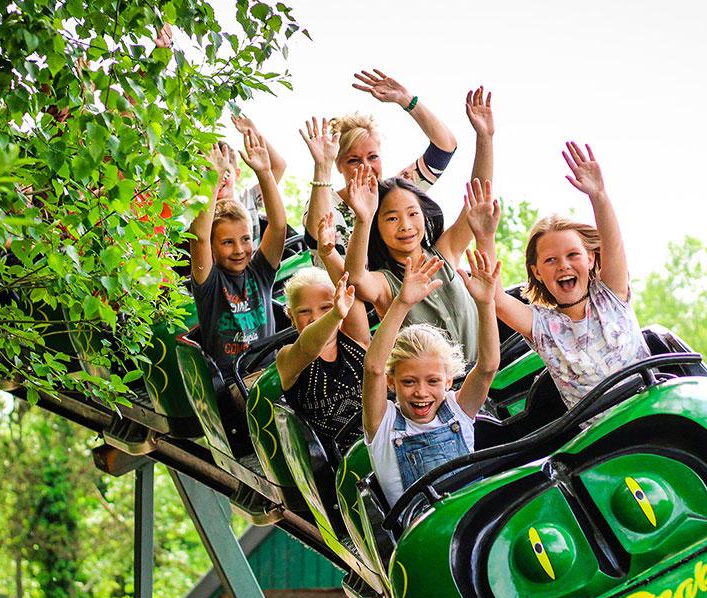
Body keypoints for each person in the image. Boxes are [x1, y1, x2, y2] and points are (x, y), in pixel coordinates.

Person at [469, 142, 650, 410]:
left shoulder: (610, 294)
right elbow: (496, 299)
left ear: (590, 259)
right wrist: (485, 237)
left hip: (647, 411)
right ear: (538, 273)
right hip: (604, 437)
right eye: (551, 260)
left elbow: (613, 244)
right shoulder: (543, 325)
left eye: (572, 255)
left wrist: (598, 196)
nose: (563, 265)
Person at [343, 87, 495, 362]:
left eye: (412, 214)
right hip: (427, 396)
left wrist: (484, 137)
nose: (405, 226)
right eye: (391, 218)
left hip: (480, 383)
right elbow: (356, 278)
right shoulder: (386, 282)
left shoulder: (444, 253)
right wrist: (363, 218)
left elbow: (478, 198)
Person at [362, 249, 500, 508]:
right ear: (391, 382)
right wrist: (401, 303)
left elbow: (488, 367)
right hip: (425, 536)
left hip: (471, 520)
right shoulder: (383, 423)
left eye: (433, 381)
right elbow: (373, 368)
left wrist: (485, 304)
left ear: (448, 381)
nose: (421, 392)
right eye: (409, 382)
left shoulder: (457, 409)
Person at [300, 69, 459, 259]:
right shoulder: (326, 201)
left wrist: (406, 100)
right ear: (339, 164)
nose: (365, 167)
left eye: (372, 157)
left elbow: (445, 147)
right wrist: (322, 166)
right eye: (354, 160)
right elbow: (318, 242)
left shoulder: (395, 193)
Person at [189, 138, 287, 389]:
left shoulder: (259, 273)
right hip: (237, 384)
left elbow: (278, 227)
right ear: (213, 247)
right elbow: (199, 236)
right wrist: (213, 178)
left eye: (244, 239)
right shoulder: (209, 283)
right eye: (227, 243)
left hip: (272, 373)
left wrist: (264, 172)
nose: (239, 250)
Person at [276, 213, 371, 446]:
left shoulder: (354, 338)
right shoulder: (288, 356)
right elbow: (310, 346)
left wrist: (328, 254)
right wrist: (334, 314)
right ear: (291, 316)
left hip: (380, 438)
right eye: (304, 312)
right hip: (341, 457)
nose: (316, 317)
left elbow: (350, 287)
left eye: (325, 307)